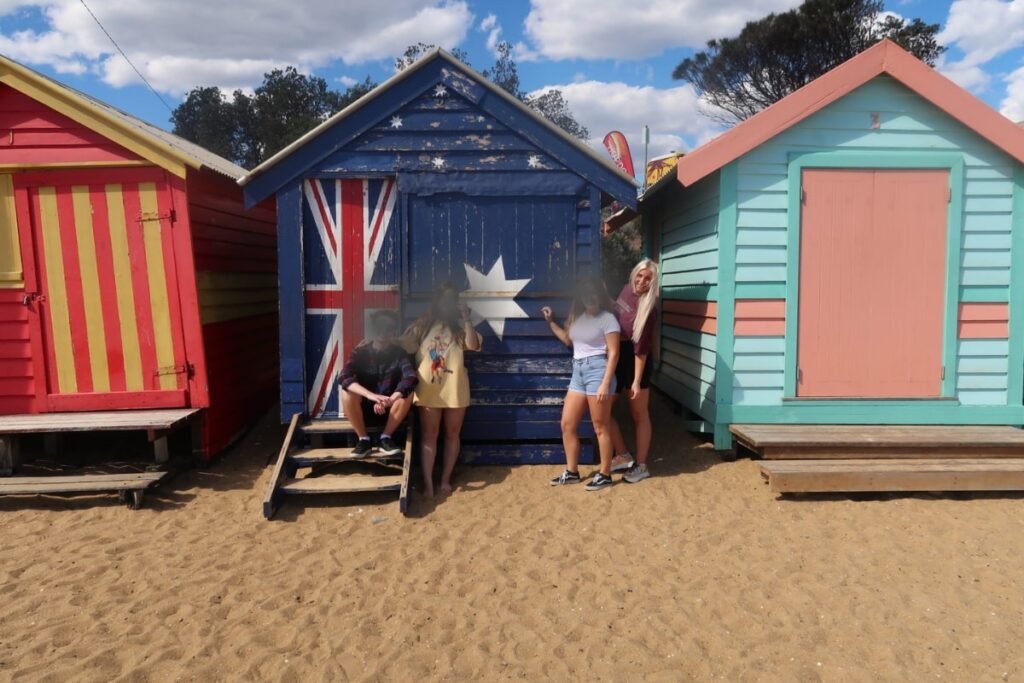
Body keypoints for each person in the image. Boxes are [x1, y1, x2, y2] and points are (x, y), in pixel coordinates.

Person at [401, 282, 482, 497]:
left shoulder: (459, 326)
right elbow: (402, 345)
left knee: (452, 435)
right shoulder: (423, 325)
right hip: (428, 390)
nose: (447, 303)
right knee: (429, 434)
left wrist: (466, 318)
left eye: (451, 298)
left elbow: (473, 345)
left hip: (455, 389)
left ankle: (445, 479)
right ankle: (428, 482)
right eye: (444, 298)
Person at [542, 276, 620, 491]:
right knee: (567, 424)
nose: (589, 297)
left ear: (599, 296)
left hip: (598, 371)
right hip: (578, 372)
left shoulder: (608, 319)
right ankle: (572, 471)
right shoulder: (579, 318)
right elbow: (568, 339)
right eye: (585, 294)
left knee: (600, 426)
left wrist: (605, 384)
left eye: (593, 293)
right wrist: (551, 322)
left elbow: (614, 353)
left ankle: (605, 474)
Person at [339, 309, 418, 457]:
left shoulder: (399, 353)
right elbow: (344, 376)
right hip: (364, 410)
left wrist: (390, 399)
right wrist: (371, 396)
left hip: (391, 411)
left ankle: (385, 438)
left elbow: (410, 377)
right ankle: (363, 440)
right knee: (346, 391)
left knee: (408, 392)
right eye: (380, 326)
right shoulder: (360, 352)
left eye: (389, 328)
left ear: (393, 331)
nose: (384, 331)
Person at [608, 259, 660, 483]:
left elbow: (642, 349)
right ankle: (622, 454)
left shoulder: (649, 309)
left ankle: (641, 465)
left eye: (648, 278)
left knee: (639, 414)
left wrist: (637, 381)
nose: (642, 281)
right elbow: (617, 315)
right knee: (603, 409)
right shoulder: (626, 290)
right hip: (617, 356)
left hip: (636, 360)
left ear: (653, 282)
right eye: (639, 275)